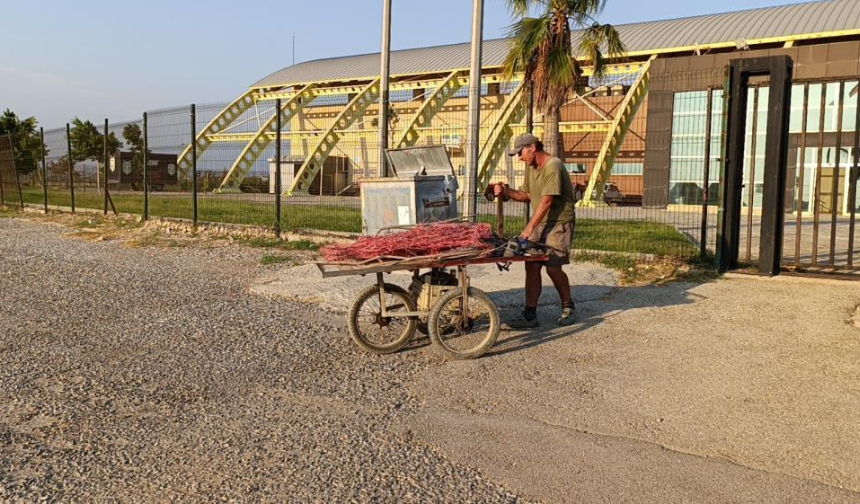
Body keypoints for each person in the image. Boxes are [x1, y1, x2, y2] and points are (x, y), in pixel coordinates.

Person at [493, 133, 577, 328]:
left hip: (559, 222)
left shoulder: (553, 165)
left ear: (532, 147)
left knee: (553, 267)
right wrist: (507, 192)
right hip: (541, 222)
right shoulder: (531, 168)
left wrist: (528, 229)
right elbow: (527, 195)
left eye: (521, 153)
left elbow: (548, 200)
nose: (520, 158)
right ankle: (530, 315)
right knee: (531, 265)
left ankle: (569, 307)